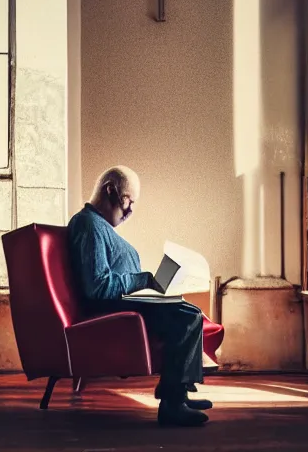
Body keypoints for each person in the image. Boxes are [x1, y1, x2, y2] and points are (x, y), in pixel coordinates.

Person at [67, 165, 213, 427]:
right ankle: (171, 404)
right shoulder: (88, 224)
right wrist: (143, 280)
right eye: (128, 201)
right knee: (186, 316)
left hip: (128, 306)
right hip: (113, 312)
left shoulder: (99, 226)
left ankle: (177, 393)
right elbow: (96, 286)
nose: (131, 211)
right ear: (110, 190)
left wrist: (149, 287)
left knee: (188, 310)